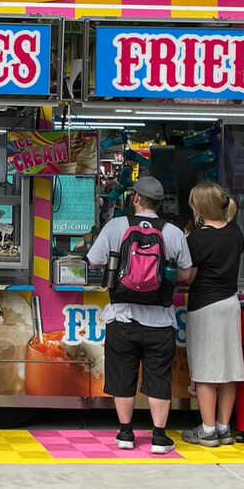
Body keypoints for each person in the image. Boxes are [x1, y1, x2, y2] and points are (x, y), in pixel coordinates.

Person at [87, 175, 195, 454]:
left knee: (123, 375)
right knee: (158, 377)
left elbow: (94, 260)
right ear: (160, 203)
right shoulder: (172, 232)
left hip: (122, 317)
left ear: (135, 198)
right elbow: (184, 274)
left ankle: (125, 433)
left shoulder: (116, 226)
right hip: (160, 320)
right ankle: (159, 437)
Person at [180, 182, 244, 448]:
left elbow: (187, 277)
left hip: (205, 307)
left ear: (199, 206)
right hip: (231, 304)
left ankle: (207, 430)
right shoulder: (236, 233)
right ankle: (223, 427)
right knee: (229, 368)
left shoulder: (198, 238)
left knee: (206, 370)